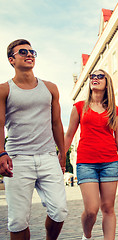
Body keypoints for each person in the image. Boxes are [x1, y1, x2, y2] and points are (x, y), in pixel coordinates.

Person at [0, 39, 68, 239]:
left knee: (60, 210)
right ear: (12, 60)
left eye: (32, 52)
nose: (29, 55)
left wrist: (62, 152)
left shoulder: (50, 88)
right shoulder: (4, 89)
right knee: (18, 220)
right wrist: (1, 153)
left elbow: (57, 123)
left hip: (47, 156)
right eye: (23, 52)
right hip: (17, 159)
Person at [64, 69, 118, 240]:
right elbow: (69, 134)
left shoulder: (115, 111)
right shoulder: (79, 107)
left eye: (100, 76)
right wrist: (61, 158)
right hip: (86, 163)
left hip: (110, 163)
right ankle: (87, 235)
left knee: (108, 208)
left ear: (107, 82)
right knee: (92, 209)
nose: (95, 78)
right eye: (93, 76)